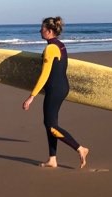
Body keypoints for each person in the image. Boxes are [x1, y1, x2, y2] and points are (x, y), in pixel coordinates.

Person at [22, 17, 89, 169]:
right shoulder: (60, 45)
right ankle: (52, 159)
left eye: (42, 29)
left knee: (52, 127)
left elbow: (44, 75)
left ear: (49, 31)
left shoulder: (50, 49)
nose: (40, 31)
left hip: (55, 89)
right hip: (60, 87)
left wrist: (31, 97)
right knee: (50, 124)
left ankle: (80, 148)